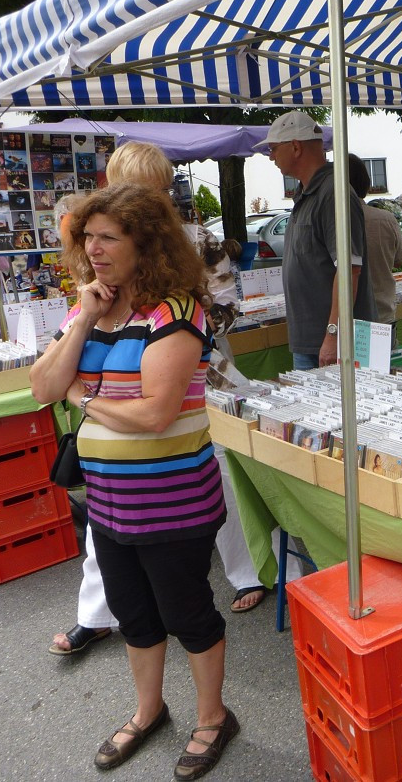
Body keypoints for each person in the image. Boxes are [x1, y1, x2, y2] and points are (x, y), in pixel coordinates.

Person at [30, 183, 238, 778]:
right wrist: (87, 318)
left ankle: (212, 717)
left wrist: (85, 396)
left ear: (143, 243)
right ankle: (148, 711)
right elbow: (43, 389)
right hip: (110, 502)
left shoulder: (174, 311)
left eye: (107, 237)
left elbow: (155, 413)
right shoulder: (88, 308)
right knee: (132, 613)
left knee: (188, 613)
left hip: (173, 502)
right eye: (86, 237)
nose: (92, 249)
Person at [48, 146, 275, 659]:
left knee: (209, 474)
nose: (150, 198)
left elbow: (222, 306)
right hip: (119, 396)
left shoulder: (190, 240)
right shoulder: (99, 240)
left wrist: (181, 330)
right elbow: (57, 363)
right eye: (135, 185)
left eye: (157, 187)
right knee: (110, 521)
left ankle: (245, 573)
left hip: (193, 374)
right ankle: (97, 613)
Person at [255, 111, 377, 369]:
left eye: (274, 148)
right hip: (314, 341)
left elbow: (349, 270)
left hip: (334, 343)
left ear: (296, 147)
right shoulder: (308, 192)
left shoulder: (333, 193)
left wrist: (333, 335)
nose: (271, 156)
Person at [347, 153, 402, 331]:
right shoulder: (386, 219)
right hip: (384, 314)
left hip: (348, 321)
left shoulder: (336, 221)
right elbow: (399, 260)